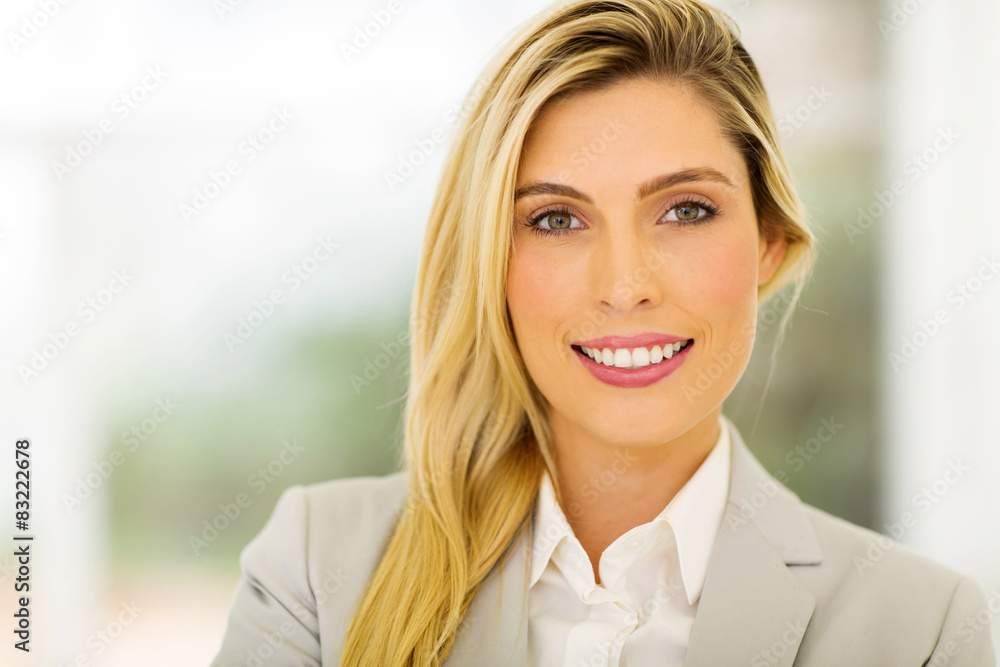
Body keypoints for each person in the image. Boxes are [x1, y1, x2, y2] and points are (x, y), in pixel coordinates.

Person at [211, 1, 998, 665]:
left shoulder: (926, 630)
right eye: (556, 219)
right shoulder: (318, 568)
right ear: (492, 263)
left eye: (686, 209)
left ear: (768, 240)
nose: (625, 286)